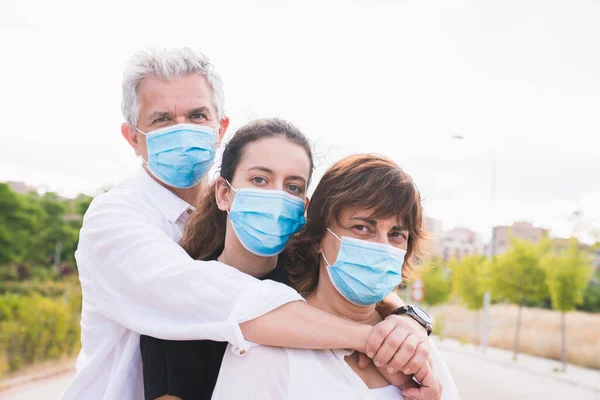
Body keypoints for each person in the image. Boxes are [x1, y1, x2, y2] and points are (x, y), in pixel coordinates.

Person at [62, 47, 438, 400]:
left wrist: (408, 320)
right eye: (161, 119)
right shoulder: (115, 220)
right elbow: (209, 297)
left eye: (197, 115)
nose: (182, 129)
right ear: (133, 136)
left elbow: (345, 271)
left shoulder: (264, 239)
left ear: (219, 126)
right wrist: (374, 339)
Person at [211, 154, 459, 399]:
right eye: (362, 228)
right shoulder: (264, 350)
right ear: (319, 239)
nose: (382, 246)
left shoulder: (413, 348)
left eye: (396, 234)